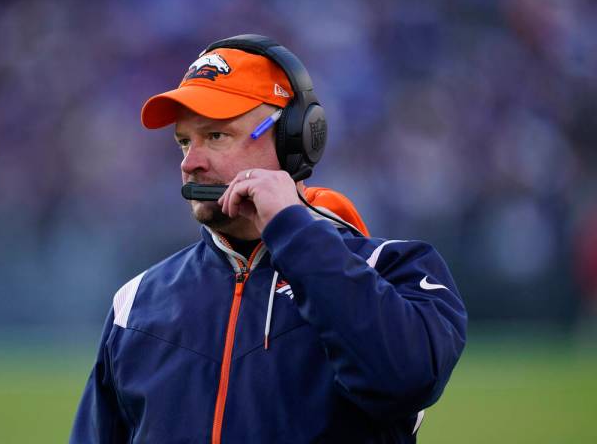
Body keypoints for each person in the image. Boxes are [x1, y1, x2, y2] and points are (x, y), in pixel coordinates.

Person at [71, 35, 467, 443]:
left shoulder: (394, 268)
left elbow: (404, 378)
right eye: (185, 142)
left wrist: (293, 230)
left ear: (296, 138)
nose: (190, 162)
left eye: (216, 136)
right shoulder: (134, 304)